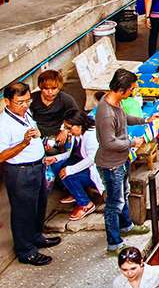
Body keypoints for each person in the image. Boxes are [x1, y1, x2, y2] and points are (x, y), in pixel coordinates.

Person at [0, 82, 60, 266]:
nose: (25, 105)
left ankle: (36, 236)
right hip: (21, 172)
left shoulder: (26, 113)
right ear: (7, 101)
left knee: (39, 204)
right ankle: (26, 251)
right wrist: (24, 143)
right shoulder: (4, 124)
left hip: (37, 166)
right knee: (23, 211)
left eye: (27, 100)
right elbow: (2, 155)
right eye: (20, 102)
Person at [95, 69, 153, 255]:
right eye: (131, 90)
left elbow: (125, 119)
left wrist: (145, 120)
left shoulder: (116, 103)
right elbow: (109, 142)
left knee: (124, 193)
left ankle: (126, 226)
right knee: (114, 203)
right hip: (111, 165)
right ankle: (114, 243)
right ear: (121, 90)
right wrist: (132, 143)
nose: (133, 93)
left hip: (122, 160)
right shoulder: (106, 114)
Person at [45, 110, 103, 221]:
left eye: (68, 128)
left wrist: (70, 170)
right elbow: (69, 153)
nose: (67, 131)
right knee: (56, 165)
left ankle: (86, 204)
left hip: (98, 170)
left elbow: (92, 159)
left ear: (79, 125)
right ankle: (74, 192)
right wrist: (55, 158)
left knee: (67, 175)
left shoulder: (91, 136)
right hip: (82, 162)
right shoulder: (77, 134)